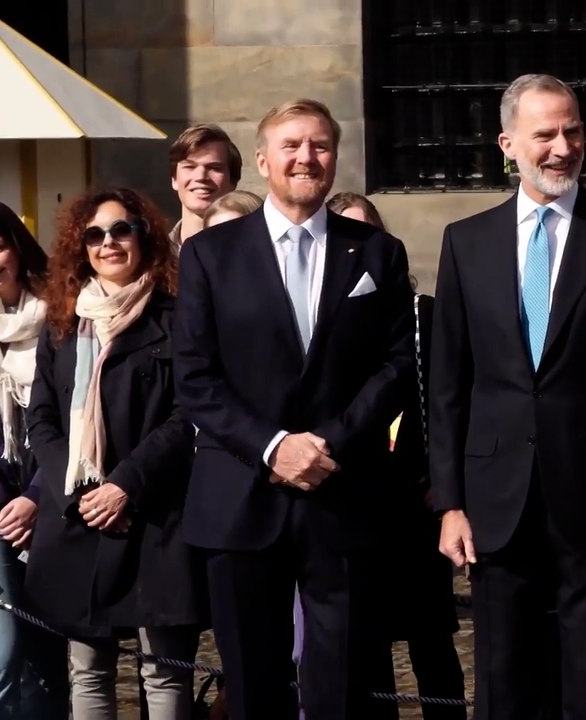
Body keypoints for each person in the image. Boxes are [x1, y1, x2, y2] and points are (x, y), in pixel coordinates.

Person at [429, 73, 586, 720]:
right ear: (508, 144)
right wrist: (449, 502)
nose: (562, 147)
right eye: (545, 134)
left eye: (573, 131)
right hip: (496, 501)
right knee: (505, 681)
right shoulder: (466, 242)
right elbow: (449, 386)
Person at [174, 98, 414, 720]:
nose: (307, 157)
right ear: (262, 160)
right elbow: (197, 379)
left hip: (342, 494)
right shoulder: (209, 255)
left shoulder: (377, 254)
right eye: (292, 146)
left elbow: (396, 367)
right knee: (252, 685)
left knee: (343, 682)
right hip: (240, 496)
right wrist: (276, 445)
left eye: (320, 146)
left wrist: (327, 442)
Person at [25, 188, 204, 719]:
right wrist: (82, 494)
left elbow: (188, 413)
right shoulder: (62, 324)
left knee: (164, 671)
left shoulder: (177, 317)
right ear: (81, 247)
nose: (109, 243)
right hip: (80, 516)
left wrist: (125, 483)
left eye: (121, 230)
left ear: (143, 237)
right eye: (95, 234)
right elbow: (41, 417)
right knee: (89, 668)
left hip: (154, 515)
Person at [328, 192, 468, 720]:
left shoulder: (421, 315)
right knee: (366, 639)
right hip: (355, 498)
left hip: (415, 496)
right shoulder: (326, 323)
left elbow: (451, 397)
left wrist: (446, 478)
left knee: (431, 635)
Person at [0, 199, 64, 720]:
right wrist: (6, 505)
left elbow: (73, 417)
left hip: (53, 499)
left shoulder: (59, 313)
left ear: (18, 245)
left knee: (54, 652)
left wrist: (36, 498)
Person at [168, 124, 242, 250]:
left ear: (233, 181)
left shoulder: (254, 250)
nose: (201, 176)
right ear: (174, 179)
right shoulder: (153, 257)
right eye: (189, 167)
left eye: (214, 168)